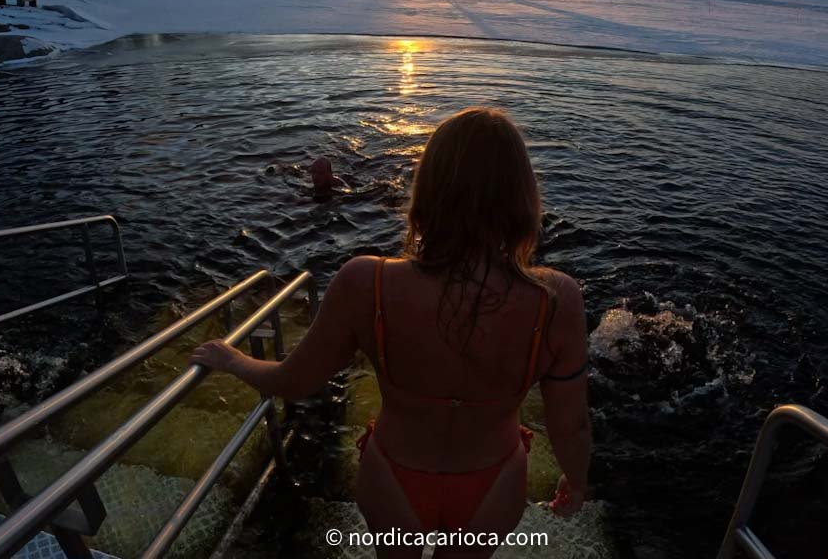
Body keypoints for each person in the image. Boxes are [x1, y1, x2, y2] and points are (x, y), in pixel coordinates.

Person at [192, 108, 591, 556]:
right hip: (493, 480)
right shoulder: (556, 299)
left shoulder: (368, 282)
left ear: (429, 187)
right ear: (521, 195)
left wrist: (233, 359)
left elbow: (295, 382)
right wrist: (575, 481)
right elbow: (570, 424)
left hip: (395, 475)